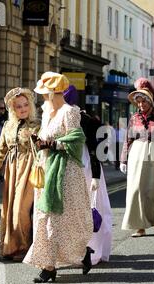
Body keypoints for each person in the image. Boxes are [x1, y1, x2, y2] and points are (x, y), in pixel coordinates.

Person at [24, 72, 93, 283]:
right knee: (44, 218)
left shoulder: (69, 112)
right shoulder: (46, 112)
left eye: (46, 94)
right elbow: (47, 137)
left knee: (61, 220)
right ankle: (49, 266)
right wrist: (39, 141)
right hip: (47, 169)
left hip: (65, 172)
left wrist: (53, 144)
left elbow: (76, 140)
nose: (43, 98)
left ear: (55, 93)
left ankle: (80, 254)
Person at [0, 88, 40, 261]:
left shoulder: (37, 125)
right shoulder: (7, 126)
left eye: (26, 105)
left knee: (20, 210)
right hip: (12, 170)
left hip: (30, 169)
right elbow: (0, 149)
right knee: (9, 210)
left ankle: (24, 247)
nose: (23, 108)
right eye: (19, 106)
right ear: (12, 109)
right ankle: (10, 247)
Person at [64, 85, 113, 265]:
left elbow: (96, 150)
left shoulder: (85, 120)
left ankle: (92, 248)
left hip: (84, 167)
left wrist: (96, 176)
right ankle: (71, 250)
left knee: (91, 207)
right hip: (66, 167)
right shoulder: (54, 117)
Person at [120, 78, 154, 238]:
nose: (141, 105)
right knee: (136, 190)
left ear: (150, 101)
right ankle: (139, 226)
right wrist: (123, 159)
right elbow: (128, 139)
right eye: (139, 102)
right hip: (136, 153)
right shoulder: (134, 118)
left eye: (144, 101)